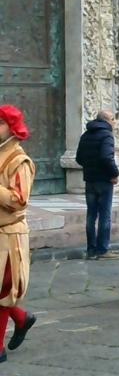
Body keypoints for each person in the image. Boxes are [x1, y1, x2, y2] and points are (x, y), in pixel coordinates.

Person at [0, 104, 37, 362]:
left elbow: (19, 200)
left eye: (0, 123)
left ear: (12, 128)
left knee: (3, 290)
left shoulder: (19, 161)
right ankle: (22, 318)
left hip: (9, 234)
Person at [76, 110, 119, 260]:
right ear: (107, 120)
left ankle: (91, 249)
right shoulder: (107, 135)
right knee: (104, 215)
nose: (114, 122)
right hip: (103, 180)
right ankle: (102, 250)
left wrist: (90, 167)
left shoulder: (86, 135)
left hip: (90, 180)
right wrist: (114, 174)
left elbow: (79, 158)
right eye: (113, 119)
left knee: (91, 215)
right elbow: (106, 157)